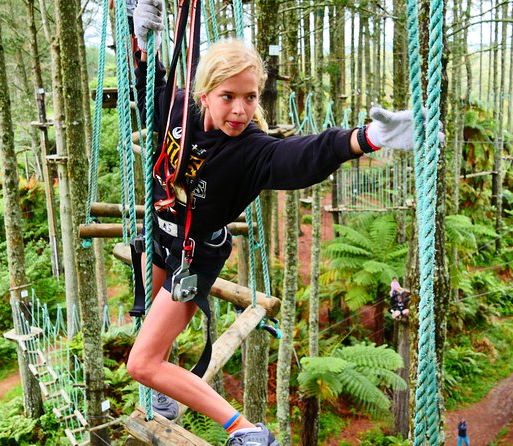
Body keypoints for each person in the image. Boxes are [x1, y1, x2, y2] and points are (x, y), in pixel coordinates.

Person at [126, 1, 430, 444]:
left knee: (142, 363)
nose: (239, 110)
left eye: (249, 98)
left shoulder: (252, 151)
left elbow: (303, 156)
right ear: (204, 94)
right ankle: (165, 394)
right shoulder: (179, 112)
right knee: (153, 324)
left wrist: (366, 139)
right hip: (164, 234)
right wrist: (139, 37)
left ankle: (246, 431)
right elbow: (149, 81)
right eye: (228, 96)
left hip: (194, 256)